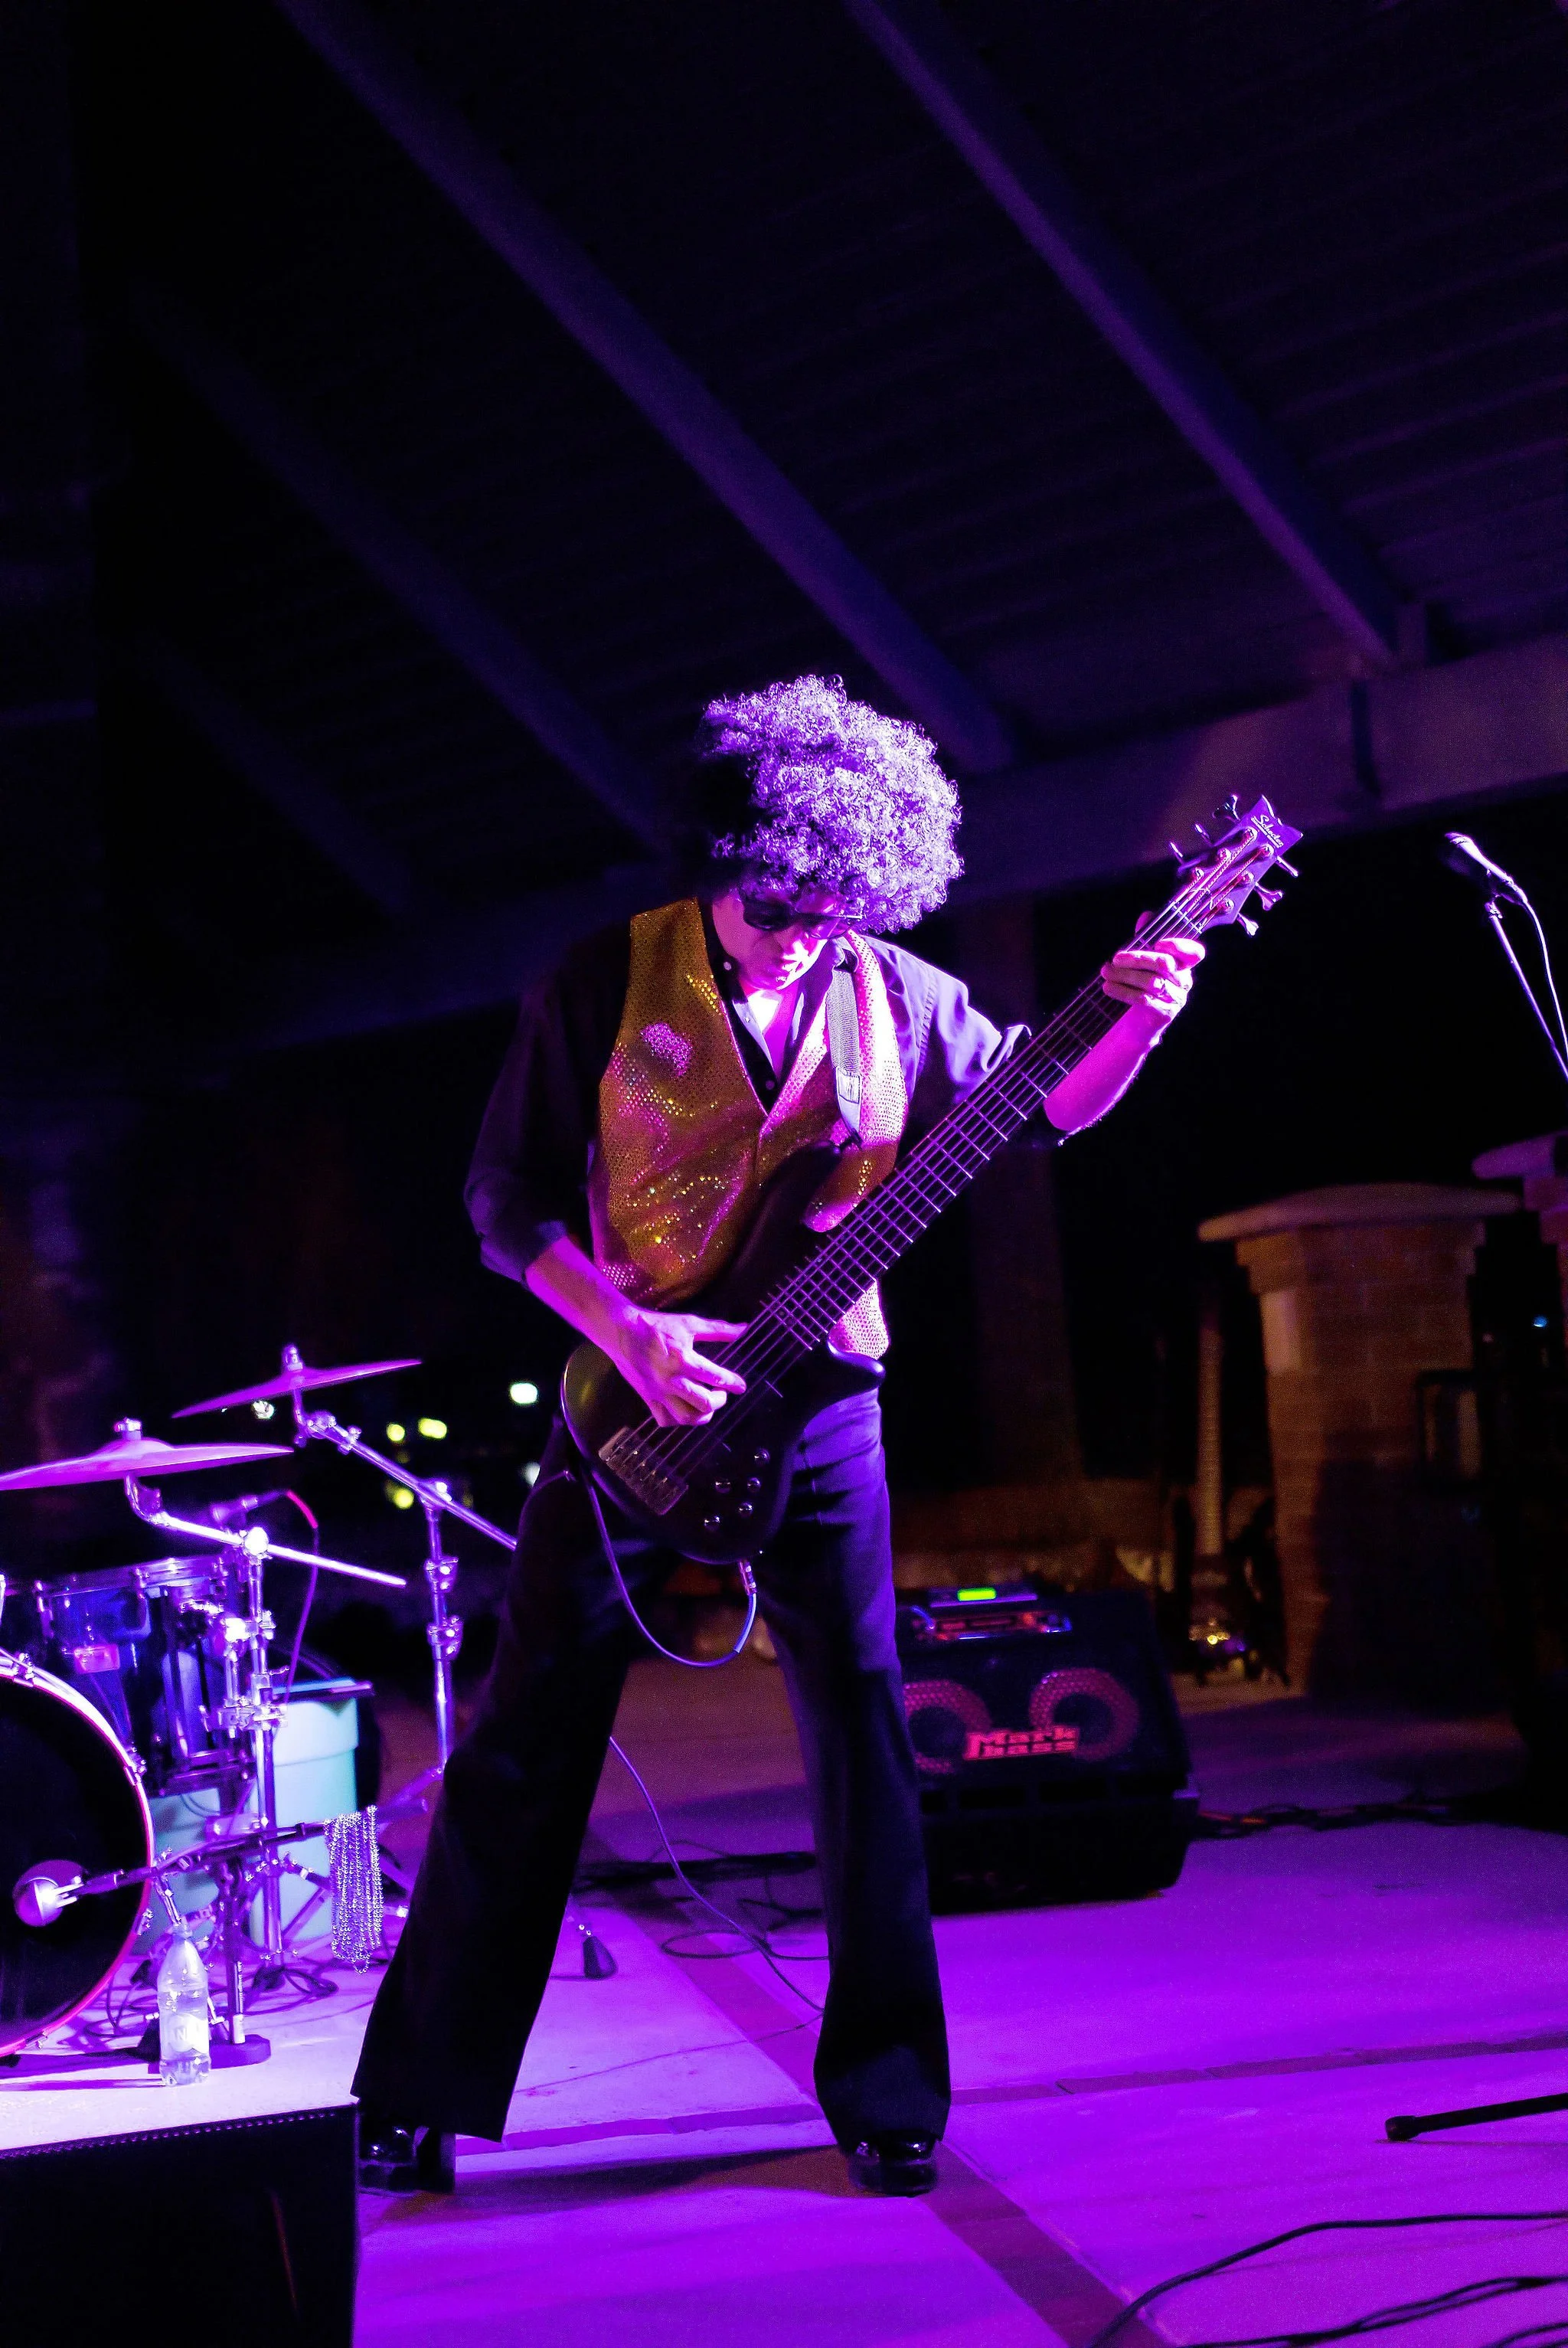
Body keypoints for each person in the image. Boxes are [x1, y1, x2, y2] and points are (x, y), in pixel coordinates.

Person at [354, 673, 1202, 2195]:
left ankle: (888, 2098)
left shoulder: (900, 995)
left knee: (865, 1733)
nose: (802, 933)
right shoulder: (603, 979)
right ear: (721, 856)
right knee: (522, 1745)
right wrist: (623, 1329)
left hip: (827, 1415)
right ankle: (415, 2089)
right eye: (777, 905)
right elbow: (501, 1203)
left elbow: (1053, 1105)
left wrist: (1137, 1019)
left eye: (832, 909)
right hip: (629, 1409)